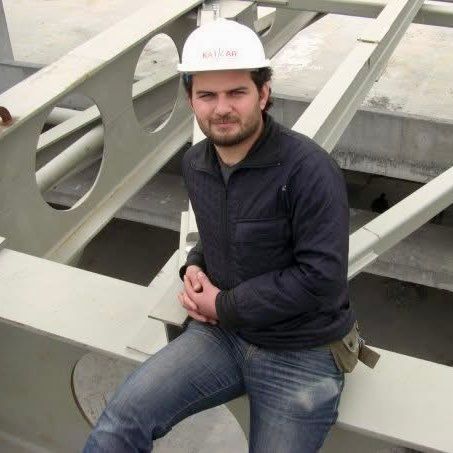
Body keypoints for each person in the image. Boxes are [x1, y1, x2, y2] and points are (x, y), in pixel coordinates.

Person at [84, 19, 360, 452]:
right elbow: (218, 236)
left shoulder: (309, 170)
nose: (221, 109)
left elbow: (321, 278)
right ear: (191, 100)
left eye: (237, 93)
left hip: (300, 349)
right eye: (207, 95)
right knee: (118, 426)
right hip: (224, 336)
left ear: (263, 94)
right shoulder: (197, 164)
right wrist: (194, 267)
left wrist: (223, 305)